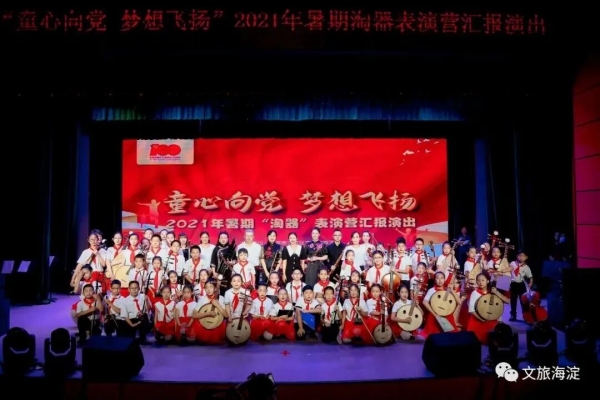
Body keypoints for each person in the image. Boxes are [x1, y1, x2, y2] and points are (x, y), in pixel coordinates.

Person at [468, 273, 509, 344]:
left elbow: (508, 301)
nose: (480, 282)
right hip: (478, 319)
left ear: (487, 281)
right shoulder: (475, 293)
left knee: (495, 339)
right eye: (478, 280)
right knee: (475, 340)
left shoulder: (493, 292)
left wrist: (496, 293)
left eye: (483, 280)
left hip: (492, 319)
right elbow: (471, 310)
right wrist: (482, 319)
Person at [193, 280, 227, 344]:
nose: (209, 289)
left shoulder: (221, 298)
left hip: (217, 324)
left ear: (215, 288)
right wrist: (207, 314)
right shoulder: (202, 299)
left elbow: (226, 315)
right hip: (204, 324)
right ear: (204, 289)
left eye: (211, 287)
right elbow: (194, 315)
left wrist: (218, 305)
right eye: (206, 287)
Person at [508, 250, 533, 322]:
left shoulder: (526, 267)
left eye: (523, 256)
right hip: (513, 284)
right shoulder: (513, 263)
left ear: (526, 257)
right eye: (519, 255)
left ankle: (525, 316)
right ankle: (513, 315)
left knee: (523, 301)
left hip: (521, 285)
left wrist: (530, 284)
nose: (521, 257)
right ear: (517, 256)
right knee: (513, 301)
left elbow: (530, 277)